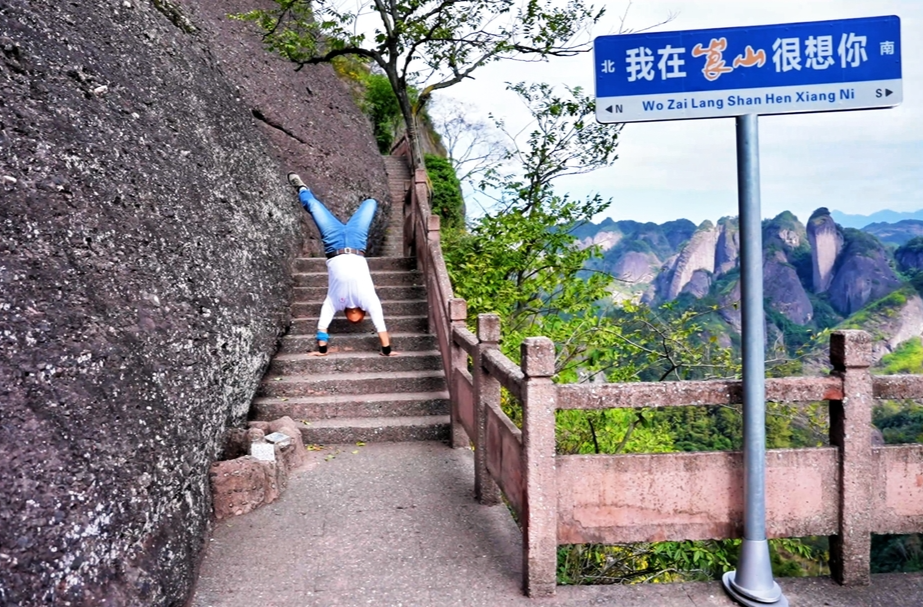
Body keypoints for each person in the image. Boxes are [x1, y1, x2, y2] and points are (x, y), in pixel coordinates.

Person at [288, 173, 394, 357]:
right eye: (357, 320)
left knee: (313, 206)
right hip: (356, 242)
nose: (354, 319)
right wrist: (387, 350)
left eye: (351, 320)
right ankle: (368, 193)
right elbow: (380, 325)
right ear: (363, 313)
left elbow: (323, 325)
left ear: (345, 314)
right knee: (371, 204)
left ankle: (302, 189)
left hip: (333, 242)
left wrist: (322, 349)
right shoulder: (369, 301)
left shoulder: (334, 302)